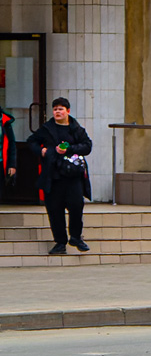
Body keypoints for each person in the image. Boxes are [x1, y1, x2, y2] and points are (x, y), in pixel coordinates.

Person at [28, 97, 92, 255]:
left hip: (73, 175)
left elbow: (87, 146)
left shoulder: (76, 128)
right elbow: (32, 142)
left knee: (77, 206)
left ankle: (76, 237)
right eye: (55, 109)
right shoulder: (47, 128)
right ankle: (60, 242)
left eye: (61, 109)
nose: (57, 112)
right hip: (54, 175)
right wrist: (42, 151)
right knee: (55, 209)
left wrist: (70, 149)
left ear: (68, 111)